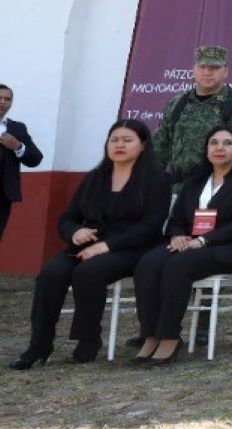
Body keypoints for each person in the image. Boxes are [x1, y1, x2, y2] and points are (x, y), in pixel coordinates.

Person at [12, 120, 168, 369]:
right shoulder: (95, 177)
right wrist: (75, 232)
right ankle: (39, 344)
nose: (119, 145)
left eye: (127, 141)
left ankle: (88, 340)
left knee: (88, 272)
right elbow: (67, 218)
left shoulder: (156, 179)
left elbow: (150, 226)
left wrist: (107, 246)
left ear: (143, 145)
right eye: (114, 140)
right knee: (50, 275)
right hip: (87, 245)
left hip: (131, 248)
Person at [131, 126, 232, 364]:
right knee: (148, 263)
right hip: (190, 243)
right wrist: (177, 235)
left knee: (179, 265)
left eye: (227, 143)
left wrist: (204, 240)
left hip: (231, 246)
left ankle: (169, 337)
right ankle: (150, 334)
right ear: (206, 149)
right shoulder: (195, 181)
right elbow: (176, 219)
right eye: (214, 142)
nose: (219, 148)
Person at [153, 45, 232, 182]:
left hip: (220, 186)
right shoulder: (177, 103)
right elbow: (160, 148)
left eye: (214, 68)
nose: (207, 72)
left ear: (226, 71)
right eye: (202, 67)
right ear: (194, 69)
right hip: (178, 187)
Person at [0, 83, 46, 246]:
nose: (3, 102)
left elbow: (35, 159)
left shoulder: (17, 128)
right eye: (0, 98)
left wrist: (18, 146)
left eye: (8, 99)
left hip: (3, 196)